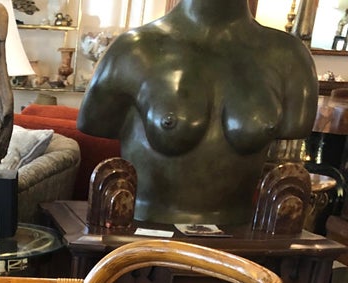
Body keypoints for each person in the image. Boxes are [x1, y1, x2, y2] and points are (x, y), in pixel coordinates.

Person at [77, 0, 318, 225]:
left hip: (238, 236)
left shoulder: (290, 57)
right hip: (146, 229)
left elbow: (297, 126)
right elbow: (93, 123)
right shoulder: (133, 50)